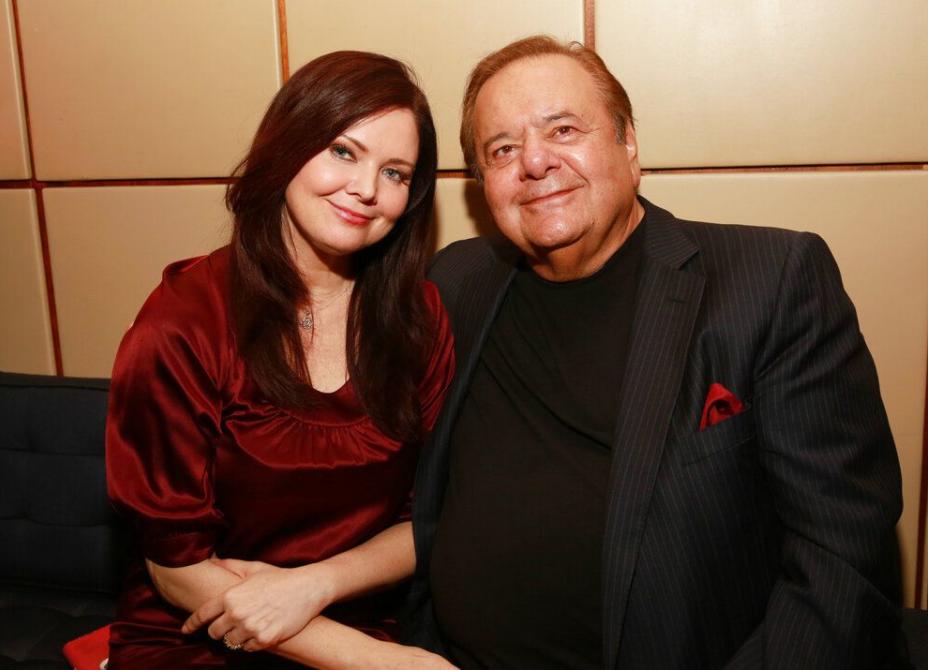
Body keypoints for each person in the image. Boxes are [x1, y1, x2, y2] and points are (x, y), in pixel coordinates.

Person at [406, 36, 905, 669]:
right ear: (483, 184)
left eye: (562, 129)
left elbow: (841, 560)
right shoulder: (458, 281)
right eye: (502, 149)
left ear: (628, 143)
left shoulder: (770, 281)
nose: (534, 161)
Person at [105, 51, 455, 669]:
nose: (367, 189)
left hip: (354, 617)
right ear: (288, 145)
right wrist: (388, 665)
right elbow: (176, 566)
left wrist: (312, 586)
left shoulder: (419, 318)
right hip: (199, 635)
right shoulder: (184, 322)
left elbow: (429, 518)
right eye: (344, 151)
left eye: (396, 172)